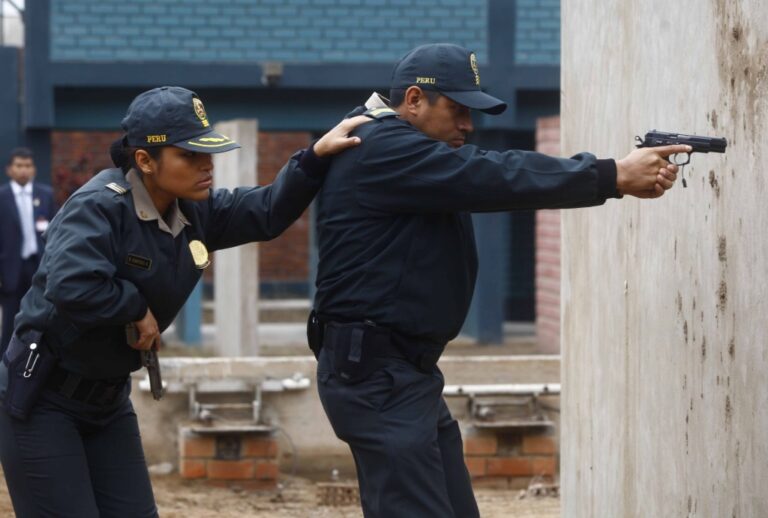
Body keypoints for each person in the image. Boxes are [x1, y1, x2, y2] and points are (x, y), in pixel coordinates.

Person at [309, 43, 690, 518]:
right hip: (377, 375)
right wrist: (611, 175)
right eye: (457, 110)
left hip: (402, 373)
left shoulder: (401, 150)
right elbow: (492, 174)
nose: (468, 125)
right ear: (414, 100)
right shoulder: (381, 147)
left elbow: (483, 173)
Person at [0, 86, 368, 517]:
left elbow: (266, 210)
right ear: (145, 160)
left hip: (107, 402)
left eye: (207, 153)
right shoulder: (99, 207)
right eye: (189, 155)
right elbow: (71, 284)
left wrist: (315, 158)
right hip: (43, 399)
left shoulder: (194, 210)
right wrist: (136, 309)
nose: (205, 164)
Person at [0, 148, 56, 354]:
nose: (23, 170)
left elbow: (54, 231)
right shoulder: (2, 196)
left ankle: (36, 359)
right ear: (9, 169)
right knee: (10, 320)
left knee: (40, 316)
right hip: (10, 268)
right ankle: (6, 363)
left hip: (38, 265)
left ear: (33, 169)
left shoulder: (45, 194)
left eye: (28, 166)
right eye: (19, 166)